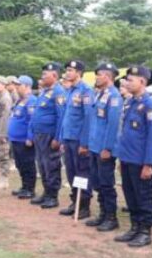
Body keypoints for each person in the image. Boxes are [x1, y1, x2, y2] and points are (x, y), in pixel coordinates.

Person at [114, 66, 152, 247]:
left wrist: (149, 164)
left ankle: (145, 231)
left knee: (144, 196)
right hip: (128, 158)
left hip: (141, 161)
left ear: (142, 81)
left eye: (130, 80)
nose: (126, 83)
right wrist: (121, 158)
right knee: (130, 195)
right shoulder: (130, 103)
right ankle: (135, 227)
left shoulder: (150, 105)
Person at [85, 62, 123, 232]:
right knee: (97, 182)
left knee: (106, 183)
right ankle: (102, 213)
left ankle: (111, 217)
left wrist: (107, 147)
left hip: (104, 148)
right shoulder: (100, 95)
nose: (97, 78)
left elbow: (113, 125)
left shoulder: (114, 97)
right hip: (94, 146)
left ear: (107, 76)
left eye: (99, 75)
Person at [58, 60, 94, 220]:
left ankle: (84, 205)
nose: (67, 73)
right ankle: (75, 201)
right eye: (67, 70)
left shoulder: (86, 91)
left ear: (79, 73)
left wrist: (85, 142)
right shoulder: (70, 90)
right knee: (71, 171)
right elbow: (66, 116)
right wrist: (62, 138)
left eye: (70, 70)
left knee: (82, 173)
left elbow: (87, 117)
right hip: (68, 137)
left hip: (79, 139)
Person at [30, 63, 66, 209]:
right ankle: (46, 192)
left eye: (46, 74)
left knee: (51, 164)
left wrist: (57, 138)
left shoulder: (58, 92)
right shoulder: (45, 92)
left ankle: (52, 196)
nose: (42, 76)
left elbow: (61, 117)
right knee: (42, 164)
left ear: (55, 76)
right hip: (39, 134)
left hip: (49, 135)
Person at [8, 76, 37, 198]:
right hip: (16, 138)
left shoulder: (31, 101)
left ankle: (30, 189)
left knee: (27, 164)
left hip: (24, 139)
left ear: (27, 86)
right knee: (20, 164)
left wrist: (30, 137)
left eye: (19, 85)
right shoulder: (20, 100)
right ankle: (24, 186)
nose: (17, 88)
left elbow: (32, 120)